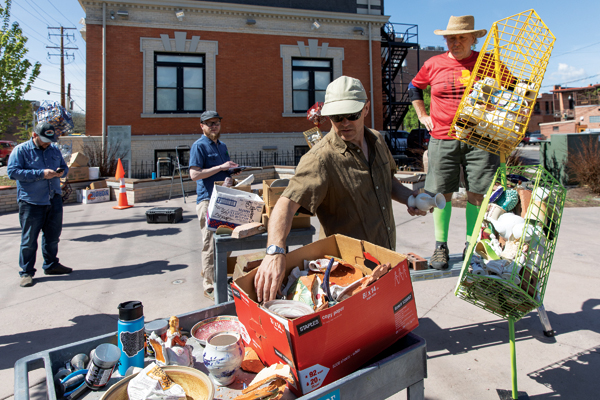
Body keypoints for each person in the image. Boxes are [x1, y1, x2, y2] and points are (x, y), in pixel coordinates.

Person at [254, 76, 426, 303]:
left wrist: (409, 198)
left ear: (365, 109)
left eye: (352, 115)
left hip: (385, 257)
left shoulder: (376, 139)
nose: (344, 123)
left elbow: (388, 180)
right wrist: (275, 252)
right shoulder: (320, 159)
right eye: (336, 117)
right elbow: (286, 203)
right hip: (348, 274)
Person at [408, 15, 513, 270]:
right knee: (441, 194)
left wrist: (503, 117)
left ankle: (472, 247)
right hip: (443, 137)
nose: (455, 42)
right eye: (450, 38)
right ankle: (440, 247)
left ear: (473, 38)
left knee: (478, 195)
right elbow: (414, 87)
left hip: (481, 139)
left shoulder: (489, 63)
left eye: (461, 37)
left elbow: (512, 91)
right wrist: (422, 115)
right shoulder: (434, 64)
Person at [7, 122, 71, 288]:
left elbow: (64, 166)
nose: (47, 142)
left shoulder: (54, 150)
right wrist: (41, 174)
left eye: (50, 139)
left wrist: (62, 171)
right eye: (44, 139)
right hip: (31, 202)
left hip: (53, 198)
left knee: (52, 237)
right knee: (29, 240)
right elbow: (13, 172)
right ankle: (26, 272)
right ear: (34, 135)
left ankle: (51, 265)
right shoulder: (20, 150)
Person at [189, 111, 239, 300]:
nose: (214, 126)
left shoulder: (222, 146)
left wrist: (232, 171)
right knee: (210, 244)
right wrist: (220, 167)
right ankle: (209, 285)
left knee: (227, 240)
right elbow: (194, 175)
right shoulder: (199, 146)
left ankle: (215, 274)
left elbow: (223, 170)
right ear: (201, 125)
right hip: (207, 200)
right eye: (210, 123)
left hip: (224, 199)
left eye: (217, 123)